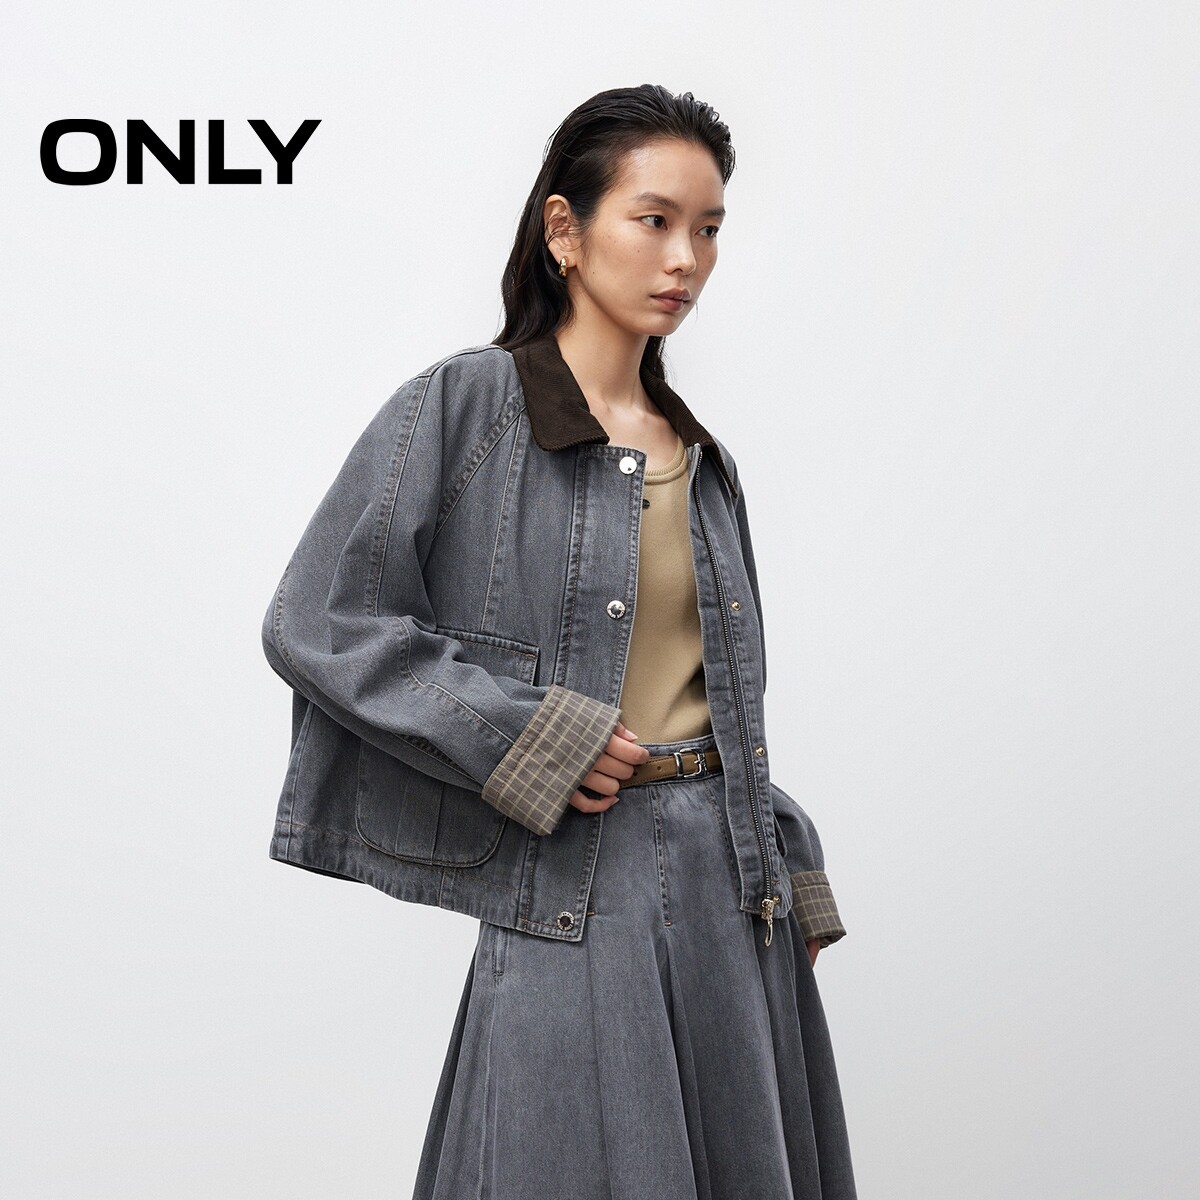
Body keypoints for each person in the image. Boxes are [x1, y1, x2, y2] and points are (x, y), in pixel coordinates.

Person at [261, 84, 857, 1200]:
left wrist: (789, 859)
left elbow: (713, 704)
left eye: (709, 228)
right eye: (655, 219)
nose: (686, 258)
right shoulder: (468, 405)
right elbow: (318, 619)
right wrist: (526, 736)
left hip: (736, 894)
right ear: (565, 232)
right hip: (576, 882)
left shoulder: (702, 459)